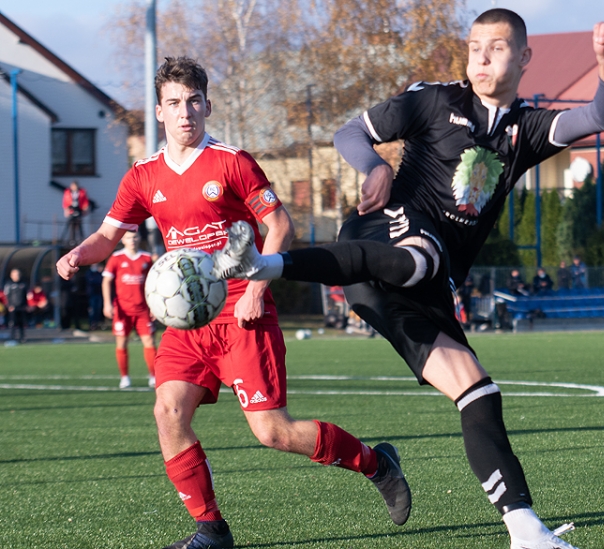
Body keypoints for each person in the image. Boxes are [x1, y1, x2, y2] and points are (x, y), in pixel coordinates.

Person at [212, 10, 604, 548]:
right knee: (423, 255)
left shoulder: (528, 129)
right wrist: (376, 167)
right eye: (474, 46)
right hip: (377, 236)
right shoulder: (434, 101)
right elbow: (351, 132)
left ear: (524, 57)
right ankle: (263, 265)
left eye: (496, 48)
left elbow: (598, 115)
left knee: (478, 392)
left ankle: (526, 531)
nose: (480, 57)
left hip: (415, 287)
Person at [56, 56, 409, 549]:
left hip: (242, 311)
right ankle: (211, 529)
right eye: (174, 104)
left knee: (274, 433)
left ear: (207, 104)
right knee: (168, 412)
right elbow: (107, 236)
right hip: (187, 320)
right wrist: (78, 254)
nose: (186, 113)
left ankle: (376, 463)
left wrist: (259, 289)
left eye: (194, 102)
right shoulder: (143, 176)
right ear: (159, 112)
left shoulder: (232, 162)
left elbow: (279, 226)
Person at [102, 231, 158, 389]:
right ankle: (124, 377)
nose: (132, 240)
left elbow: (155, 282)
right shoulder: (116, 258)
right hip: (122, 310)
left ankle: (153, 376)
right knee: (121, 342)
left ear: (139, 238)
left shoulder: (147, 258)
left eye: (135, 237)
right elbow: (106, 281)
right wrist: (107, 304)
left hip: (143, 309)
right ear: (123, 240)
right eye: (128, 237)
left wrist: (155, 305)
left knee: (149, 342)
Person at [4, 269, 28, 343]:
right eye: (15, 275)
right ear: (11, 275)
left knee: (21, 323)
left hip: (22, 307)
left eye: (18, 274)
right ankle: (12, 338)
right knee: (12, 323)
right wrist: (9, 305)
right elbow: (6, 296)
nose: (17, 276)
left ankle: (22, 338)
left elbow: (26, 296)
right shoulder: (9, 285)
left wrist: (26, 305)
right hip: (13, 307)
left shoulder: (23, 284)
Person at [62, 180, 90, 245]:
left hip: (79, 209)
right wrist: (66, 210)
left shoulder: (82, 192)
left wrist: (85, 209)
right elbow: (65, 202)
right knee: (71, 225)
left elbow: (85, 202)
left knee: (79, 225)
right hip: (71, 209)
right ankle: (72, 240)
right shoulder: (67, 192)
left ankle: (81, 239)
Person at [86, 263, 105, 330]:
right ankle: (92, 324)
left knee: (98, 310)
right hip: (92, 294)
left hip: (99, 294)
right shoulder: (89, 273)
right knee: (92, 310)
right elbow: (92, 281)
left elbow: (101, 281)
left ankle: (97, 324)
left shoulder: (99, 273)